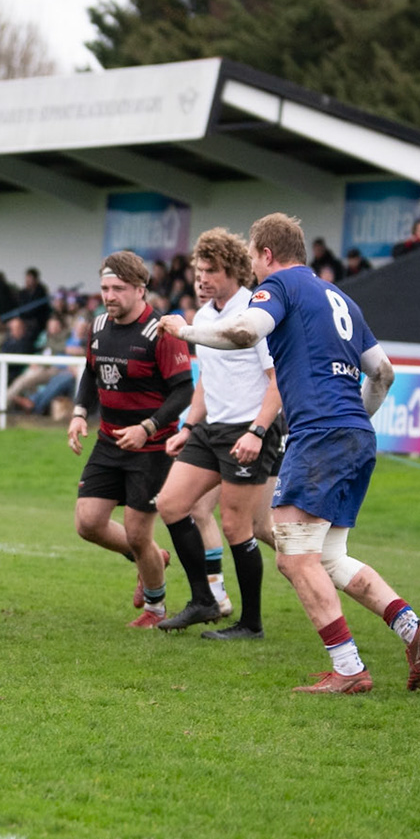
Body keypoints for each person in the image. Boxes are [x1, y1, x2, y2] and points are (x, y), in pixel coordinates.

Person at [163, 212, 420, 694]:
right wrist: (356, 418)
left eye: (253, 256)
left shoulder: (280, 288)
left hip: (320, 436)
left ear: (267, 254)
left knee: (294, 558)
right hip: (355, 435)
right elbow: (384, 374)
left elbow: (245, 333)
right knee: (329, 556)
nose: (252, 265)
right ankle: (412, 629)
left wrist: (183, 330)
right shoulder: (343, 299)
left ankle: (350, 669)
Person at [152, 229, 284, 638]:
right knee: (172, 504)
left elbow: (278, 381)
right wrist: (188, 426)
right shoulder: (205, 317)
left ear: (234, 271)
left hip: (248, 429)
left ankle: (251, 623)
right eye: (198, 271)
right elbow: (208, 378)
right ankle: (204, 601)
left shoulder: (256, 312)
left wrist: (258, 431)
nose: (202, 279)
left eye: (211, 271)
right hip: (211, 430)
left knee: (238, 526)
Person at [69, 251, 194, 628]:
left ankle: (155, 609)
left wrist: (148, 428)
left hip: (151, 448)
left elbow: (183, 392)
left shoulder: (162, 332)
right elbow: (92, 375)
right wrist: (78, 413)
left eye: (118, 289)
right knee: (88, 522)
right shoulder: (99, 326)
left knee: (138, 532)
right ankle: (151, 556)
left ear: (141, 290)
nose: (109, 295)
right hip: (109, 441)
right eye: (105, 288)